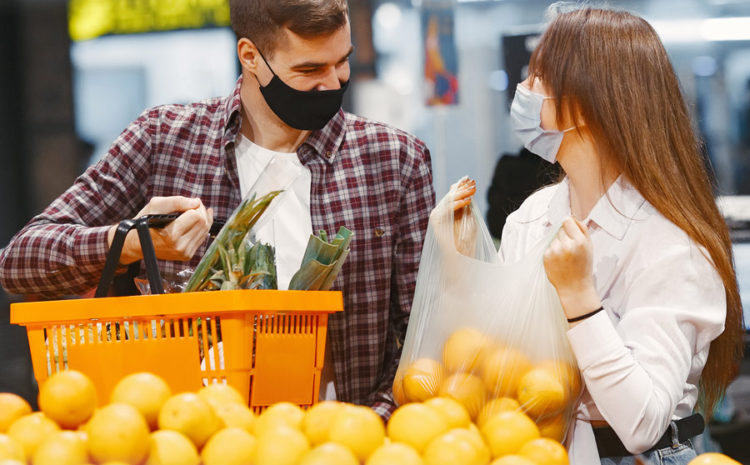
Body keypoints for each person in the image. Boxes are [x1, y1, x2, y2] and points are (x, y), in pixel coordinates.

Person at [0, 0, 435, 419]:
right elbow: (19, 262)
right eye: (309, 69)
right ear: (250, 56)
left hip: (341, 443)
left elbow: (422, 340)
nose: (333, 82)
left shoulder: (394, 160)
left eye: (342, 62)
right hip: (193, 440)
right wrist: (133, 242)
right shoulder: (164, 141)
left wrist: (368, 426)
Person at [458, 6, 744, 465]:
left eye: (538, 79)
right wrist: (462, 263)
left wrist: (580, 298)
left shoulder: (671, 242)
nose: (524, 92)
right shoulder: (531, 218)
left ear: (587, 104)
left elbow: (642, 424)